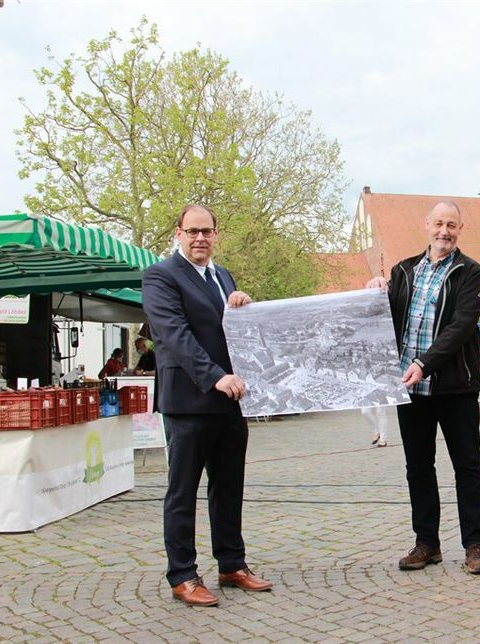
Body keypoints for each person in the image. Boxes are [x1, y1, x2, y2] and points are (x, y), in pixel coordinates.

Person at [142, 203, 272, 607]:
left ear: (216, 235)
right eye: (192, 231)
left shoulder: (222, 275)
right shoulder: (161, 276)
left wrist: (240, 306)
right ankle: (182, 574)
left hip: (231, 402)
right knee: (183, 492)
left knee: (229, 488)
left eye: (207, 231)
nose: (200, 238)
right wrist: (215, 376)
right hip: (189, 402)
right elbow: (174, 336)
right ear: (178, 233)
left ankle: (232, 564)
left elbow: (227, 330)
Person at [366, 200, 480, 575]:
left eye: (452, 225)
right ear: (427, 225)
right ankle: (427, 543)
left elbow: (461, 326)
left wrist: (424, 363)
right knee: (418, 467)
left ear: (460, 229)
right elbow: (384, 317)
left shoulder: (470, 272)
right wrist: (374, 290)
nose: (444, 231)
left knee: (467, 466)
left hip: (455, 387)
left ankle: (475, 546)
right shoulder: (403, 270)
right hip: (410, 390)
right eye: (439, 224)